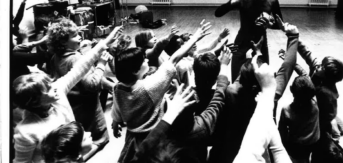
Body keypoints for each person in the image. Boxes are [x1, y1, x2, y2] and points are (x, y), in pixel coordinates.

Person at [12, 26, 122, 163]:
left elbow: (81, 66)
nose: (55, 87)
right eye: (49, 89)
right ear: (35, 101)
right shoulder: (25, 132)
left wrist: (109, 38)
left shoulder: (58, 89)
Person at [111, 21, 211, 163]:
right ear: (135, 71)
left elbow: (117, 110)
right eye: (143, 60)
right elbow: (174, 59)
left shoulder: (118, 88)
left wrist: (115, 122)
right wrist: (196, 37)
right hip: (155, 136)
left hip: (131, 139)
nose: (146, 59)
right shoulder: (149, 87)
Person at [209, 20, 298, 163]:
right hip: (260, 150)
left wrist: (249, 57)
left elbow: (243, 76)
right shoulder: (270, 96)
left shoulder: (232, 92)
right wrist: (293, 37)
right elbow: (287, 66)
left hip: (233, 150)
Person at [47, 19, 115, 160]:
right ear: (63, 42)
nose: (80, 38)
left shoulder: (55, 57)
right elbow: (92, 85)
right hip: (89, 107)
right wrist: (101, 65)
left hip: (74, 106)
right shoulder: (76, 58)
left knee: (80, 139)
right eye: (75, 36)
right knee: (100, 140)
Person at [215, 0, 283, 80]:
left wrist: (270, 25)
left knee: (263, 80)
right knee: (236, 80)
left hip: (261, 43)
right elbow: (218, 13)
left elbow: (280, 25)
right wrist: (233, 2)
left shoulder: (272, 0)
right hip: (241, 42)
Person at [233, 54, 292, 163]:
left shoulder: (234, 96)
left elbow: (249, 153)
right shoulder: (271, 100)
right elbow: (279, 151)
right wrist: (269, 90)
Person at [278, 74, 320, 163]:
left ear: (290, 89)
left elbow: (282, 131)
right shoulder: (315, 103)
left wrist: (284, 147)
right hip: (314, 141)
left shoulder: (287, 110)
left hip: (298, 145)